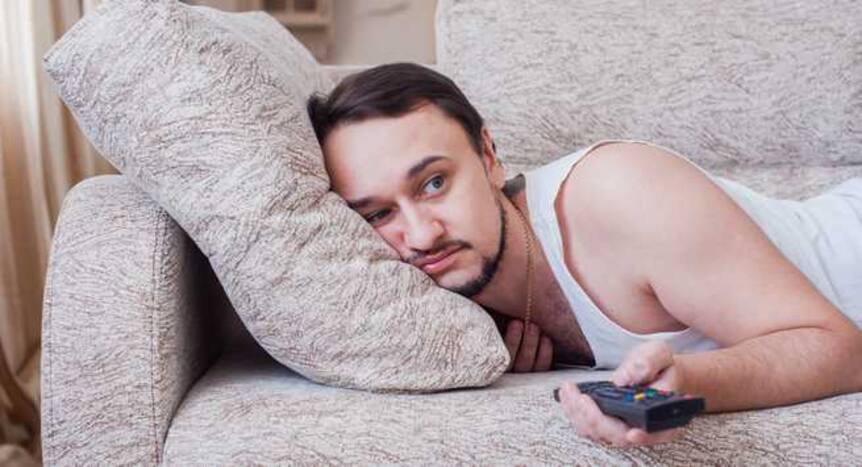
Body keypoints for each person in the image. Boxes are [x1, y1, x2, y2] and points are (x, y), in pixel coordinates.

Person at [307, 62, 862, 448]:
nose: (421, 235)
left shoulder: (619, 193)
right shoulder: (443, 307)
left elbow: (840, 348)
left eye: (434, 183)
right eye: (377, 214)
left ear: (489, 156)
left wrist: (688, 382)